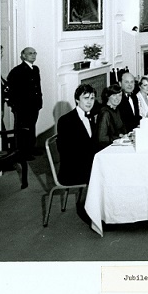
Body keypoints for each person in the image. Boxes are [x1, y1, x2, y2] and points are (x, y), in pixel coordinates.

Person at [56, 83, 97, 223]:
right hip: (71, 170)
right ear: (77, 100)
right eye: (86, 98)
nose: (90, 102)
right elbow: (65, 151)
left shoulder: (89, 117)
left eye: (92, 98)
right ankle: (92, 213)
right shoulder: (66, 121)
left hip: (86, 164)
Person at [7, 46, 43, 158]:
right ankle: (22, 152)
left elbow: (37, 87)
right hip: (23, 106)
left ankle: (30, 148)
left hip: (34, 104)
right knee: (22, 129)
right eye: (30, 53)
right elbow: (12, 90)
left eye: (34, 53)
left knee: (31, 127)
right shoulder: (17, 71)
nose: (33, 55)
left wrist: (39, 101)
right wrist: (16, 105)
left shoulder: (35, 69)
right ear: (23, 56)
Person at [95, 84, 126, 149]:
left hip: (116, 145)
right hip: (106, 148)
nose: (117, 98)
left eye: (119, 95)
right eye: (114, 95)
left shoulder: (116, 109)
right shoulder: (105, 113)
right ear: (108, 96)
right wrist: (119, 137)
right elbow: (102, 138)